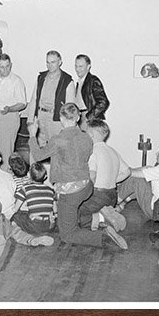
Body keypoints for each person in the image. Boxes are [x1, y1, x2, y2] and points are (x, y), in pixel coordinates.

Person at [29, 103, 125, 250]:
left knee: (67, 234)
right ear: (78, 117)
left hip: (70, 191)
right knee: (70, 215)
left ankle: (103, 237)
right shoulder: (86, 138)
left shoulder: (58, 139)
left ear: (61, 118)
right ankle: (101, 218)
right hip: (86, 186)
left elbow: (38, 156)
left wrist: (32, 134)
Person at [82, 120, 129, 235]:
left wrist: (82, 195)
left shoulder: (93, 151)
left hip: (97, 196)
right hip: (112, 197)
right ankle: (106, 216)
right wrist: (112, 180)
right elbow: (127, 171)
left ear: (91, 134)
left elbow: (92, 176)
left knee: (74, 213)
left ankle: (101, 218)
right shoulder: (112, 151)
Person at [117, 142, 159, 219]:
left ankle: (113, 202)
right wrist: (144, 168)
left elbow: (131, 173)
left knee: (136, 180)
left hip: (155, 211)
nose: (156, 154)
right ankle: (122, 204)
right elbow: (152, 172)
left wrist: (119, 171)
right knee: (144, 182)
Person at [28, 50, 74, 146]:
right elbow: (34, 99)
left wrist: (67, 125)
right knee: (38, 148)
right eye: (48, 62)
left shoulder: (67, 80)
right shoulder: (41, 78)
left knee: (56, 148)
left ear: (60, 62)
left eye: (53, 62)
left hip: (56, 120)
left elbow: (70, 106)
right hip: (40, 117)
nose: (50, 65)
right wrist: (30, 120)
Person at [9, 162, 57, 247]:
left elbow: (15, 209)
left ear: (29, 175)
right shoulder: (50, 190)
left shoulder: (25, 188)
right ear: (45, 176)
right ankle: (41, 235)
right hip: (49, 225)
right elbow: (55, 211)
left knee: (15, 217)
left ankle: (28, 237)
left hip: (34, 225)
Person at [73, 54, 110, 123]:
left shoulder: (93, 80)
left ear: (88, 67)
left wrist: (89, 117)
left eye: (80, 66)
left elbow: (103, 102)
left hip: (89, 119)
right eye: (76, 66)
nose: (77, 69)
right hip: (81, 117)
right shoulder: (80, 82)